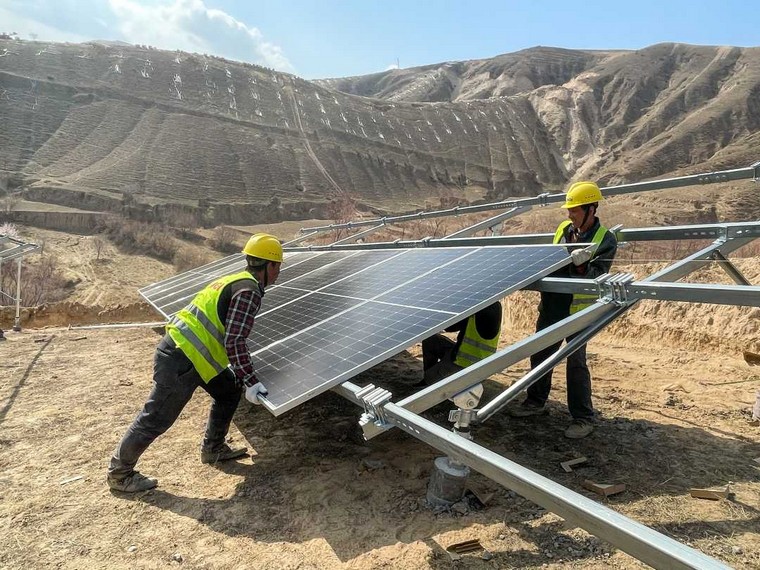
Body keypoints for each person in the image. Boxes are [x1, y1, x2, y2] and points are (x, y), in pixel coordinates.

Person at [106, 233, 283, 492]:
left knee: (229, 389)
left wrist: (240, 378)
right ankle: (120, 474)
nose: (278, 273)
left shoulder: (234, 280)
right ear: (270, 265)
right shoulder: (249, 291)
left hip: (191, 355)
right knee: (155, 418)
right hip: (183, 359)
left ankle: (214, 448)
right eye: (278, 267)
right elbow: (235, 341)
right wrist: (251, 380)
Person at [511, 181, 617, 439]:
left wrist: (582, 267)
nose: (569, 215)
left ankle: (583, 417)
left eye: (574, 210)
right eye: (568, 210)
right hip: (551, 306)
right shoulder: (563, 229)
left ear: (591, 209)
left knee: (576, 363)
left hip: (578, 313)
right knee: (541, 355)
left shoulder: (605, 239)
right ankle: (535, 402)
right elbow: (551, 259)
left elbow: (598, 277)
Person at [422, 301, 503, 384]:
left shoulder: (478, 308)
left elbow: (450, 327)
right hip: (481, 363)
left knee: (429, 379)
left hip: (464, 364)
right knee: (430, 340)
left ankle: (430, 380)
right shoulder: (496, 304)